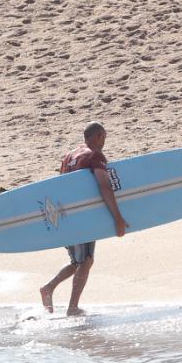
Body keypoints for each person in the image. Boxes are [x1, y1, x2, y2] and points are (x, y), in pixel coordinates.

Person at [39, 122, 127, 317]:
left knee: (77, 261)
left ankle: (48, 289)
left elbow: (60, 185)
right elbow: (104, 186)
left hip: (64, 215)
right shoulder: (95, 155)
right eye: (104, 137)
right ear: (98, 136)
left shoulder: (69, 156)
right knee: (85, 260)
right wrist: (118, 218)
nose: (104, 142)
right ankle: (72, 307)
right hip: (82, 217)